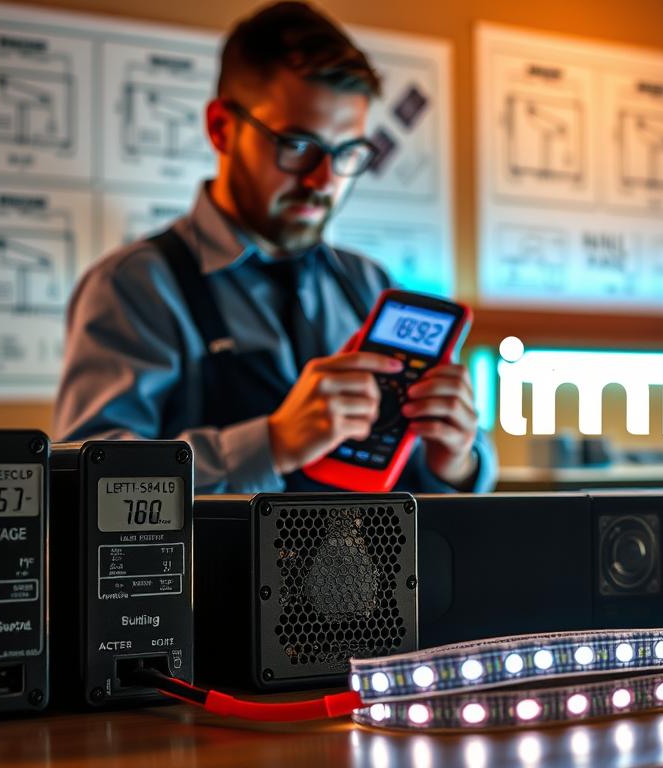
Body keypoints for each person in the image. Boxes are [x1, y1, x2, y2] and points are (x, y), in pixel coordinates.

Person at [54, 2, 495, 494]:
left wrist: (456, 460)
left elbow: (413, 481)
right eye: (298, 146)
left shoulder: (370, 286)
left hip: (359, 573)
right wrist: (272, 444)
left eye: (347, 153)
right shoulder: (133, 288)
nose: (324, 180)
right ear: (222, 128)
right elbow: (89, 487)